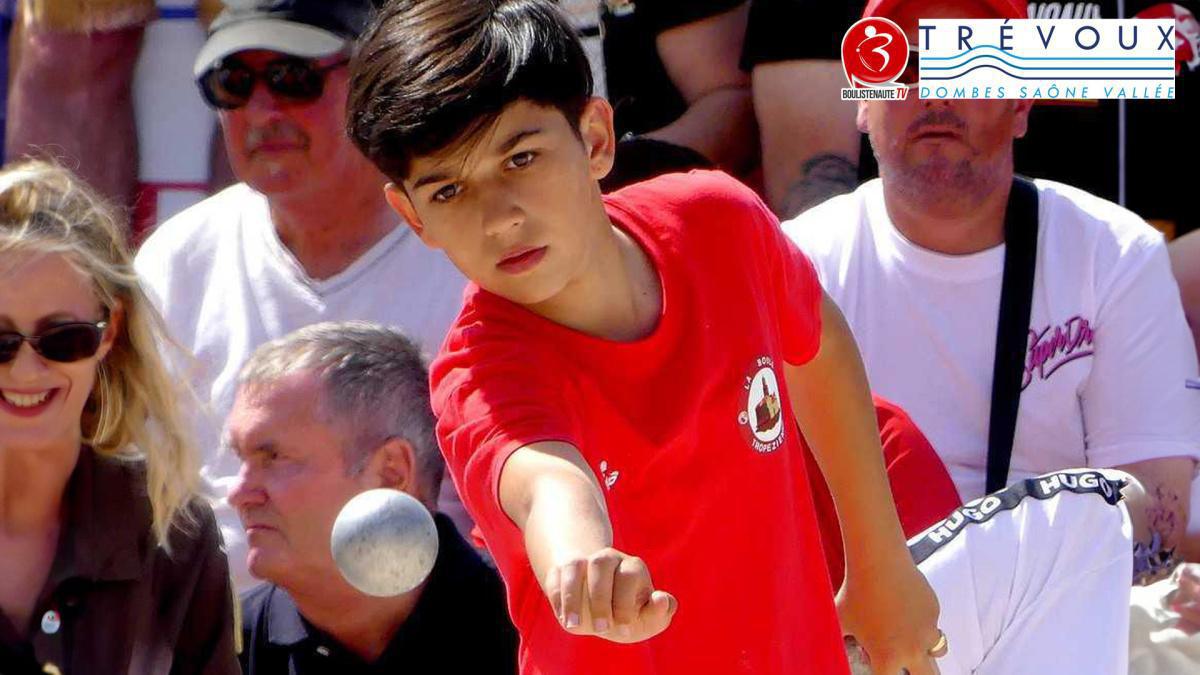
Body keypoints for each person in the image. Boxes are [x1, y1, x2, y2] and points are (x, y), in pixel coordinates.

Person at [347, 1, 946, 673]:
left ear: (596, 138)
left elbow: (819, 343)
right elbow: (546, 484)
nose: (498, 218)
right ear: (411, 214)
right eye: (449, 191)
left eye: (521, 158)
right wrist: (581, 561)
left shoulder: (719, 222)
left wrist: (879, 565)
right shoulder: (480, 375)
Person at [785, 0, 1200, 584]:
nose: (934, 95)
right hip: (862, 626)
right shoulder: (795, 263)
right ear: (860, 98)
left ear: (1022, 103)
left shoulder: (1113, 254)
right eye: (899, 66)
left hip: (1054, 617)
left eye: (971, 65)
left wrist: (989, 582)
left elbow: (1156, 515)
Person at [134, 0, 469, 590]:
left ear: (374, 83)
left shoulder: (466, 252)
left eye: (294, 78)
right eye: (233, 83)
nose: (263, 110)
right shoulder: (177, 259)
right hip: (217, 636)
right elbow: (140, 489)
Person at [0, 160, 237, 673]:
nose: (25, 369)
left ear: (109, 332)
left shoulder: (174, 532)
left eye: (63, 338)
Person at [226, 322, 518, 674]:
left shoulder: (537, 630)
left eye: (273, 457)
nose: (239, 494)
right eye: (242, 459)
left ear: (391, 472)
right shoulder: (224, 651)